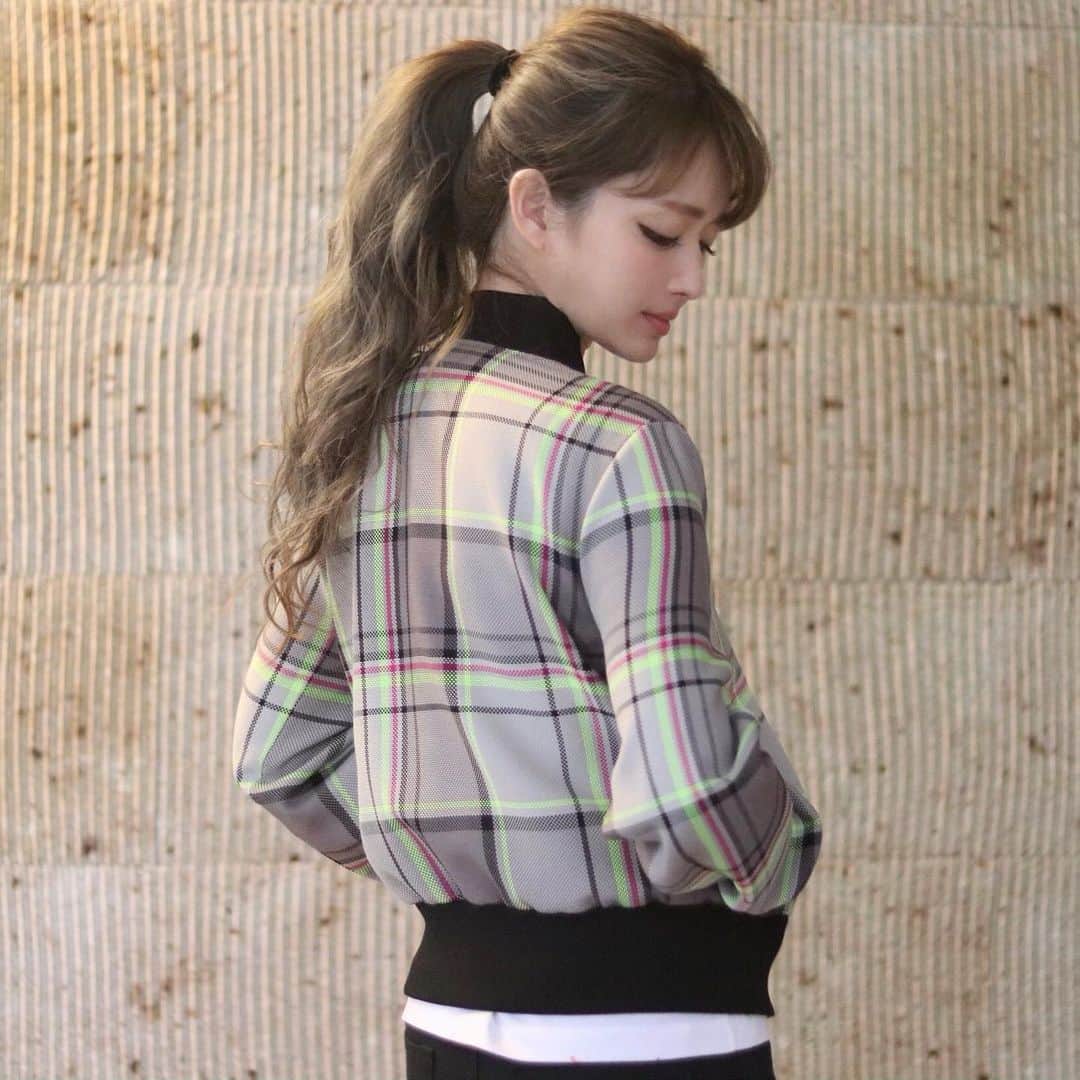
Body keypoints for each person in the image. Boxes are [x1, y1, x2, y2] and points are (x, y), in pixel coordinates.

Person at [232, 7, 823, 1078]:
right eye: (662, 233)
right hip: (658, 1032)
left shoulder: (368, 430)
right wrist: (784, 850)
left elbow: (279, 756)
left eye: (707, 243)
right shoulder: (621, 445)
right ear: (535, 205)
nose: (693, 278)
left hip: (450, 1025)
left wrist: (471, 865)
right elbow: (688, 791)